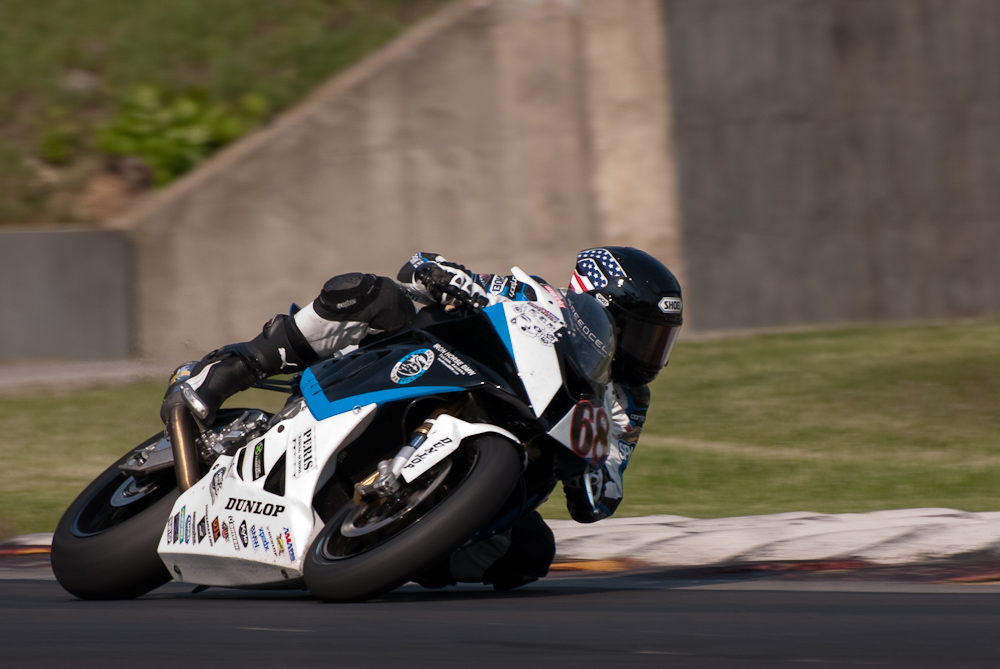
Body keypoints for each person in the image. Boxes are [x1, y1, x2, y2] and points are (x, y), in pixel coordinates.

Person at [161, 247, 683, 590]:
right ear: (598, 307)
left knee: (529, 554)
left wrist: (593, 469)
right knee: (370, 292)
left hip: (508, 444)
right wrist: (452, 278)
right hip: (436, 371)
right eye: (642, 332)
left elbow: (599, 498)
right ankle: (232, 368)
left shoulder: (626, 403)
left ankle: (407, 540)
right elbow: (422, 269)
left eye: (660, 339)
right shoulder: (534, 295)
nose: (649, 352)